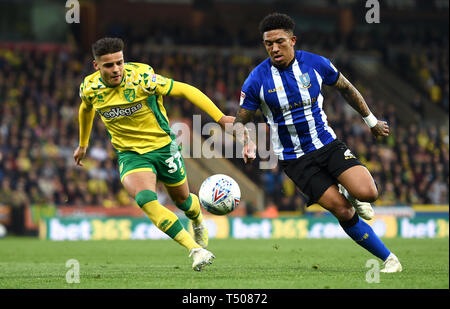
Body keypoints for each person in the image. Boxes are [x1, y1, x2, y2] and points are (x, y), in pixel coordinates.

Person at [234, 13, 402, 273]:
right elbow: (240, 121)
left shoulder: (315, 64)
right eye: (268, 44)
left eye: (279, 42)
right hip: (295, 160)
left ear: (293, 40)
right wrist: (246, 142)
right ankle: (389, 259)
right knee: (344, 212)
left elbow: (346, 87)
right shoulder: (256, 80)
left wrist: (371, 121)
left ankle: (352, 192)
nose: (274, 48)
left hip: (326, 144)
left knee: (369, 193)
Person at [74, 37, 233, 271]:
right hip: (131, 154)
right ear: (97, 66)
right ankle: (195, 250)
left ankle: (197, 220)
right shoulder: (90, 88)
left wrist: (221, 118)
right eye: (109, 65)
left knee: (184, 202)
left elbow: (185, 90)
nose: (116, 69)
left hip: (163, 147)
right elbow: (86, 109)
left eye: (119, 62)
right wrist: (83, 144)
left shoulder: (143, 78)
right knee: (145, 199)